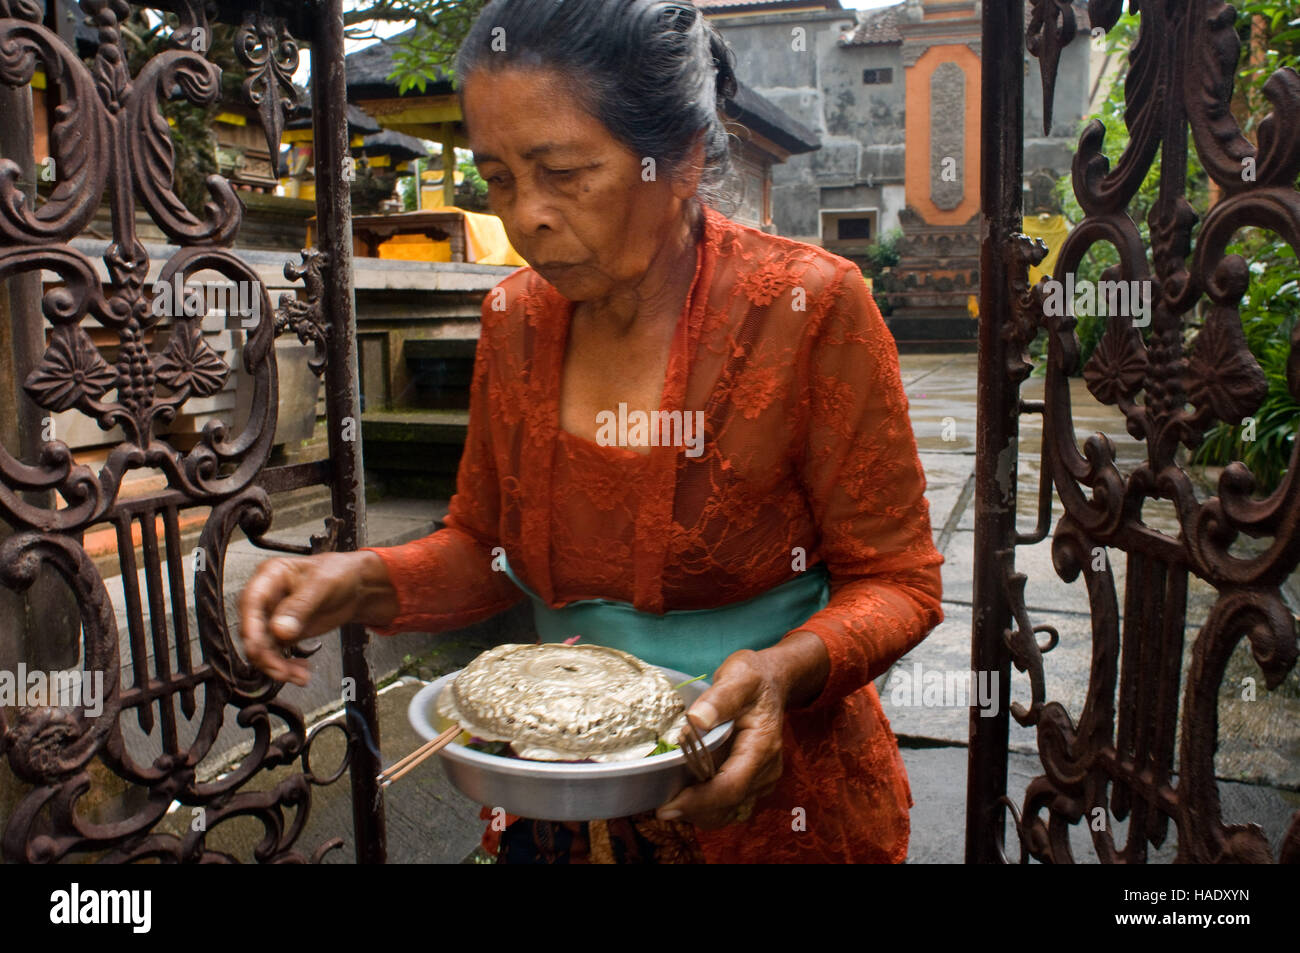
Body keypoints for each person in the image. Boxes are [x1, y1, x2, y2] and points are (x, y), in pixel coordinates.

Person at [239, 0, 943, 864]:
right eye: (496, 178)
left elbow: (900, 581)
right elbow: (486, 545)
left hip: (767, 799)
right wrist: (354, 580)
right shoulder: (513, 320)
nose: (524, 216)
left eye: (564, 172)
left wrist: (780, 670)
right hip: (552, 790)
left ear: (680, 158)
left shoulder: (810, 310)